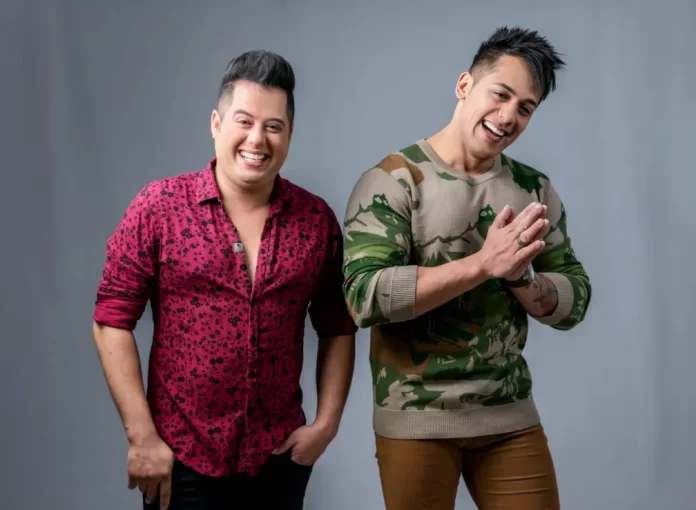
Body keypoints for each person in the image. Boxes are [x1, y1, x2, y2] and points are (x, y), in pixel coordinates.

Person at [92, 50, 357, 510]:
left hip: (279, 461)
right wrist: (141, 437)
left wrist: (327, 426)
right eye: (244, 121)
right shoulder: (159, 207)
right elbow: (111, 319)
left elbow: (337, 326)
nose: (257, 139)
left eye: (273, 126)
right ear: (216, 124)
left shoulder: (315, 220)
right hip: (180, 459)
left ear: (289, 135)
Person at [342, 26, 592, 510]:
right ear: (464, 85)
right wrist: (484, 264)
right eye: (500, 94)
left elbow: (574, 300)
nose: (508, 116)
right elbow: (364, 297)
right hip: (415, 414)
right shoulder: (393, 181)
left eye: (526, 108)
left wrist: (522, 278)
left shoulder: (533, 189)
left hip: (508, 413)